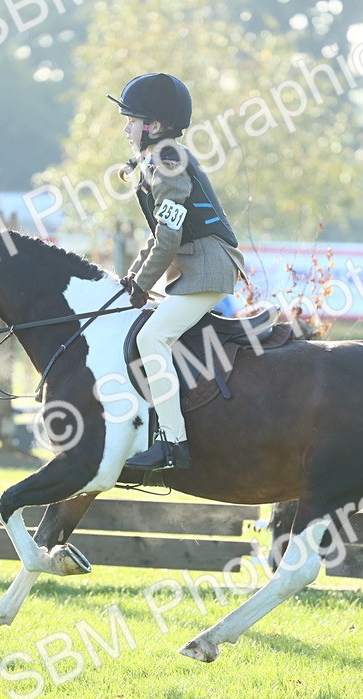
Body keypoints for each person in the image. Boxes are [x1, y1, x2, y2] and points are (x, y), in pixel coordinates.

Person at [108, 73, 246, 471]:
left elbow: (168, 243)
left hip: (208, 268)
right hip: (195, 267)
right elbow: (158, 239)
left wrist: (141, 284)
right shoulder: (156, 161)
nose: (126, 126)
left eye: (131, 119)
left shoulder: (167, 165)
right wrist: (131, 281)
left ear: (152, 125)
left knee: (152, 338)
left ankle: (173, 443)